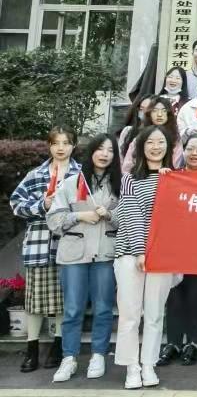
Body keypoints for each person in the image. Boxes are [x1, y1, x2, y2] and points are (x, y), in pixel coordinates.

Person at [43, 133, 117, 383]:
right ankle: (69, 357)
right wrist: (80, 216)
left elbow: (128, 220)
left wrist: (109, 215)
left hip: (105, 255)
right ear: (91, 152)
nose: (104, 154)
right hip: (74, 255)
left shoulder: (120, 184)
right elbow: (54, 220)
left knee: (103, 308)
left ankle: (98, 354)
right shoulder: (72, 183)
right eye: (100, 149)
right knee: (73, 309)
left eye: (110, 150)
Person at [112, 125, 178, 389]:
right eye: (150, 142)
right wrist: (140, 251)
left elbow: (178, 218)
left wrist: (169, 182)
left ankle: (149, 364)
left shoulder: (175, 179)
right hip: (130, 253)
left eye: (160, 142)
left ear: (168, 147)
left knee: (154, 314)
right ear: (140, 147)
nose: (155, 147)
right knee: (130, 314)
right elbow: (131, 215)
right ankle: (132, 367)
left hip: (162, 256)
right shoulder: (129, 178)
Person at [157, 134, 197, 369]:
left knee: (194, 294)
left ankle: (193, 343)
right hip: (173, 245)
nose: (195, 153)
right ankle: (172, 343)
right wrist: (163, 177)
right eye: (190, 148)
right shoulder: (173, 176)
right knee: (173, 296)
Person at [121, 96, 183, 172]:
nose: (159, 114)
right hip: (140, 176)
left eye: (164, 111)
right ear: (149, 113)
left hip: (166, 176)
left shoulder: (175, 139)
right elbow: (127, 167)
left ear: (168, 114)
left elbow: (175, 166)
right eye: (155, 111)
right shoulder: (139, 137)